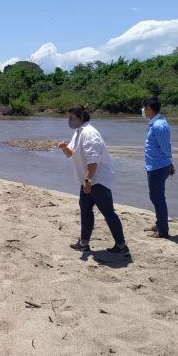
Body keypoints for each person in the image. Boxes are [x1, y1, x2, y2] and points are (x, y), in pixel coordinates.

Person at [57, 106, 130, 256]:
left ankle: (121, 246)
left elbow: (93, 159)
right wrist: (63, 148)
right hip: (88, 179)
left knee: (108, 212)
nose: (69, 120)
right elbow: (71, 153)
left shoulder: (89, 133)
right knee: (85, 210)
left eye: (71, 117)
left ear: (80, 117)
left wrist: (88, 179)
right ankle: (84, 243)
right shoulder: (78, 132)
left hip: (97, 179)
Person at [141, 97, 175, 238]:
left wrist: (169, 162)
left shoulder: (158, 125)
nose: (142, 110)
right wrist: (170, 163)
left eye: (144, 108)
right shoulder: (156, 123)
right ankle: (159, 224)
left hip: (158, 167)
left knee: (158, 198)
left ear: (148, 108)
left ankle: (163, 230)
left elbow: (166, 148)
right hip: (156, 166)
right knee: (156, 197)